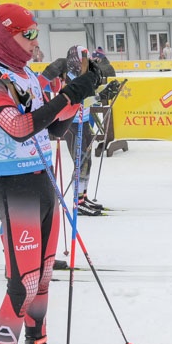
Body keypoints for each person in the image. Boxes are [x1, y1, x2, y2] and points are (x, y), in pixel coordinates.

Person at [0, 3, 101, 344]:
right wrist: (69, 95)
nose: (34, 42)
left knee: (42, 277)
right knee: (22, 283)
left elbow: (54, 128)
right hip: (15, 186)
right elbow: (21, 128)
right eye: (27, 35)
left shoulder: (26, 76)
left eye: (34, 34)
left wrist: (81, 92)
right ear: (6, 36)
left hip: (42, 182)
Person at [41, 46, 105, 216]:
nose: (87, 63)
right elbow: (73, 100)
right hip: (71, 124)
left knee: (87, 162)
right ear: (75, 61)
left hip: (84, 122)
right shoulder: (68, 78)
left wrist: (101, 96)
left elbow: (86, 100)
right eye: (83, 59)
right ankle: (78, 201)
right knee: (81, 163)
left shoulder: (84, 77)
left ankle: (83, 197)